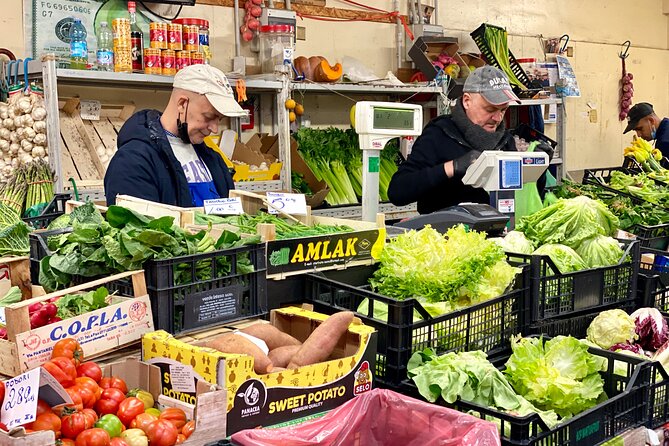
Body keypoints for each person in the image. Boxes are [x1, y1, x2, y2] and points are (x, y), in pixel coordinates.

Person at [388, 65, 553, 215]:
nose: (497, 118)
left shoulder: (506, 142)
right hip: (445, 238)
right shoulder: (439, 134)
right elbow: (398, 191)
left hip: (496, 237)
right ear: (467, 101)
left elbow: (523, 197)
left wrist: (537, 168)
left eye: (503, 110)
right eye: (490, 109)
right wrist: (452, 167)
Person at [104, 64, 247, 207]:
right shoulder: (133, 161)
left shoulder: (212, 159)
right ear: (182, 104)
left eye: (219, 119)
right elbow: (138, 227)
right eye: (209, 116)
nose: (214, 129)